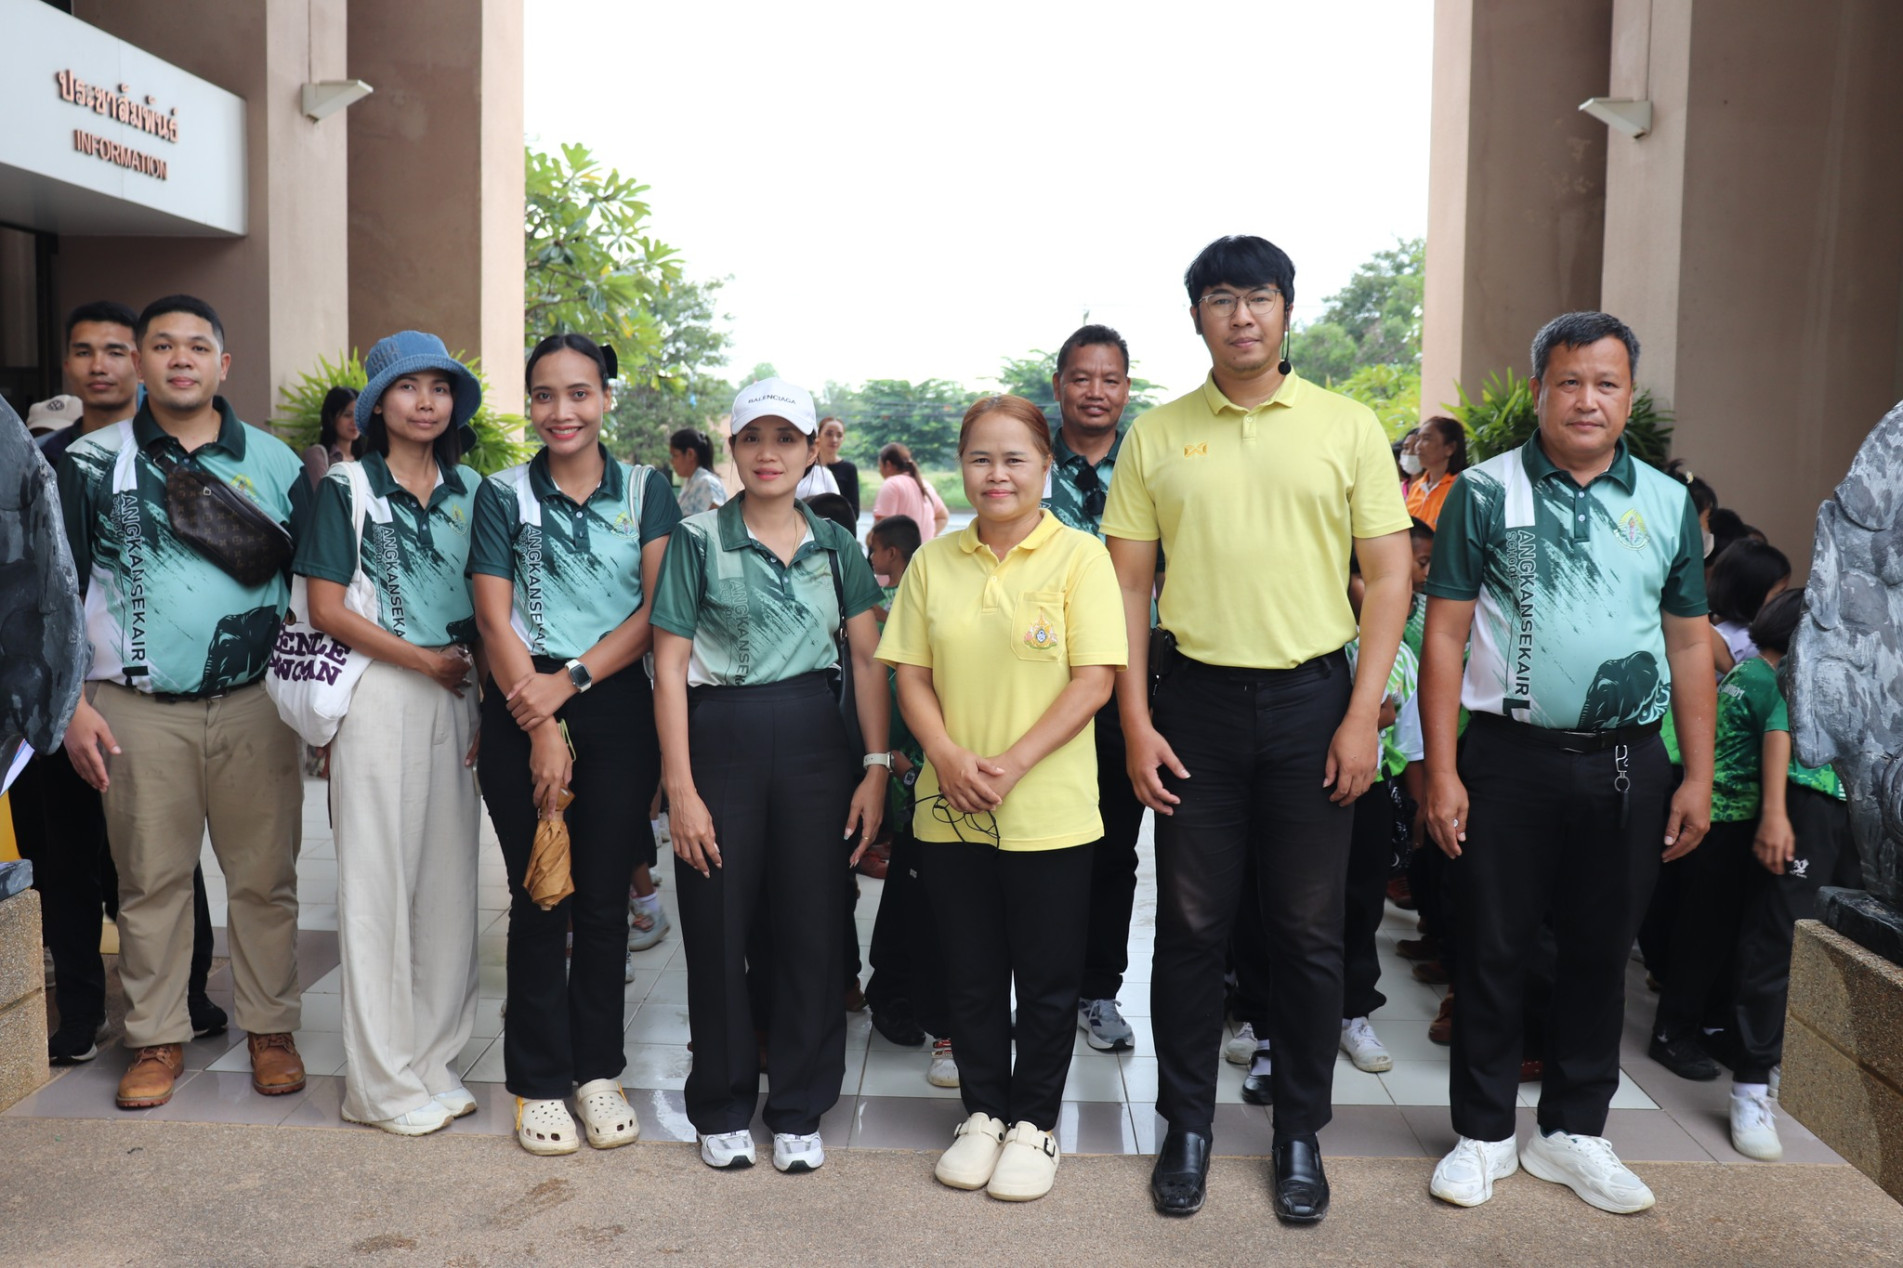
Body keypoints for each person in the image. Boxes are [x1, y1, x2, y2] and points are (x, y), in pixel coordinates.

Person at [1102, 236, 1414, 1223]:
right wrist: (1136, 722)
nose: (1242, 314)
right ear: (1196, 315)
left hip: (1312, 703)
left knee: (1308, 931)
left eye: (1260, 297)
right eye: (1222, 298)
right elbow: (1127, 586)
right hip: (1192, 701)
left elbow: (1392, 574)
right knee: (1191, 925)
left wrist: (1362, 713)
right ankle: (1184, 1126)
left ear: (1286, 310)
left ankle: (1297, 1131)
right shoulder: (1156, 434)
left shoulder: (1346, 426)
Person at [1422, 310, 1714, 1216]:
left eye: (1606, 383)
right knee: (1492, 946)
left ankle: (1573, 1132)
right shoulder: (1480, 492)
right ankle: (1480, 1134)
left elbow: (1690, 646)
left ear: (1629, 396)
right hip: (1506, 758)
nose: (1586, 400)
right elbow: (1443, 635)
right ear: (1540, 389)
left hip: (1630, 763)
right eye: (1569, 382)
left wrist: (1696, 774)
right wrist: (1440, 770)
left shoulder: (1665, 503)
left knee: (1600, 951)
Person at [58, 294, 311, 1111]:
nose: (179, 359)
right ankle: (156, 1038)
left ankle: (272, 1030)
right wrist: (71, 704)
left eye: (196, 346)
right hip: (133, 709)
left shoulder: (275, 464)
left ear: (222, 364)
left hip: (255, 703)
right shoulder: (90, 463)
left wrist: (318, 706)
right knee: (150, 881)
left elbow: (310, 588)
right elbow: (55, 592)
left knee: (264, 881)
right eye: (160, 345)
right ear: (140, 363)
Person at [879, 394, 1126, 1201]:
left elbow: (1094, 679)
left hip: (1048, 810)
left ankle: (1034, 1125)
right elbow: (908, 674)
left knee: (1048, 977)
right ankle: (983, 1113)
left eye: (1014, 458)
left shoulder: (1079, 557)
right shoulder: (933, 561)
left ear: (1045, 466)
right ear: (960, 465)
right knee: (971, 972)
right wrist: (947, 756)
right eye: (980, 457)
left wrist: (1012, 763)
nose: (996, 474)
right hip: (950, 807)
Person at [650, 376, 889, 1175]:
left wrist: (876, 766)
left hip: (818, 742)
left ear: (812, 449)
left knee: (813, 927)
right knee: (717, 920)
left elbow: (864, 655)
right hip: (721, 736)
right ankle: (719, 1101)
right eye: (753, 439)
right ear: (734, 449)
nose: (768, 454)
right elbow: (670, 664)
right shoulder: (696, 540)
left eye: (785, 439)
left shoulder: (835, 544)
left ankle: (796, 1106)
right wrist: (679, 789)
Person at [469, 333, 681, 1155]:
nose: (563, 411)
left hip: (615, 704)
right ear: (530, 403)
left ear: (605, 399)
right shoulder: (502, 494)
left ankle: (598, 1071)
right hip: (521, 702)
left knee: (599, 900)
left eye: (580, 393)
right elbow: (493, 617)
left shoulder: (645, 491)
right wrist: (543, 718)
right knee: (538, 896)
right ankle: (536, 1082)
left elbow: (657, 610)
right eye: (546, 395)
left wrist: (576, 684)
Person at [9, 302, 225, 1064]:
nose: (99, 365)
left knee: (163, 856)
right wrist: (58, 699)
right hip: (58, 697)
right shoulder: (36, 459)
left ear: (139, 362)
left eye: (114, 351)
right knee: (62, 855)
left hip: (147, 694)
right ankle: (80, 1011)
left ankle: (189, 995)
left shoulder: (178, 454)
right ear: (65, 366)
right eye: (82, 352)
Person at [294, 331, 485, 1136]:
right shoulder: (345, 488)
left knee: (449, 888)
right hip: (378, 693)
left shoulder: (476, 489)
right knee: (376, 890)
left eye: (440, 388)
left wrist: (472, 686)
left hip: (458, 696)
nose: (426, 402)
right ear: (377, 404)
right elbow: (326, 609)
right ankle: (379, 1087)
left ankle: (433, 1061)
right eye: (409, 389)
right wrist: (424, 662)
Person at [1037, 323, 1148, 1054]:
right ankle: (1031, 987)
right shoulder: (1029, 456)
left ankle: (1096, 990)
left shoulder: (1149, 459)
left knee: (1112, 846)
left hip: (1127, 676)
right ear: (1059, 386)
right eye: (1081, 378)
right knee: (1030, 840)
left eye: (1109, 380)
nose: (1095, 392)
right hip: (1031, 678)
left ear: (1125, 388)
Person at [1705, 540, 1790, 675]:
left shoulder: (1754, 643)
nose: (1781, 600)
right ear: (1751, 592)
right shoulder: (1748, 642)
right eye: (1778, 593)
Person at [872, 442, 949, 539]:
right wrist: (925, 538)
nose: (880, 471)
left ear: (888, 465)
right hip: (924, 552)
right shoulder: (925, 486)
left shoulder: (891, 484)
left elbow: (882, 528)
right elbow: (942, 517)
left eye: (880, 466)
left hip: (899, 553)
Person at [1405, 416, 1467, 529]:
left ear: (1450, 448)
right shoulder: (1416, 487)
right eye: (1418, 439)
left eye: (1427, 439)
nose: (1417, 446)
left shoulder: (1463, 488)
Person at [301, 386, 360, 489]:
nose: (354, 422)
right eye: (347, 415)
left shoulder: (366, 459)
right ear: (331, 418)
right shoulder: (317, 455)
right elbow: (322, 498)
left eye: (358, 415)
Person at [670, 427, 728, 516]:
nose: (672, 461)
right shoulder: (691, 483)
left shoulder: (708, 483)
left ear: (690, 454)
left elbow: (715, 522)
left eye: (675, 455)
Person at [817, 416, 859, 518]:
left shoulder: (849, 469)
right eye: (829, 434)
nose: (834, 439)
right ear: (818, 436)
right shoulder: (806, 466)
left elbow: (854, 512)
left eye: (839, 435)